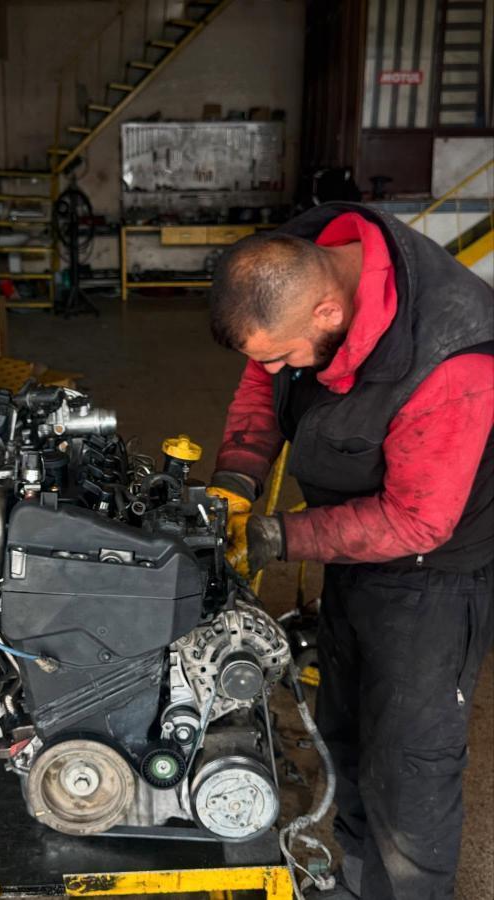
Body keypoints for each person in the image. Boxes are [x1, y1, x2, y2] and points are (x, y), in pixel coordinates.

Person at [206, 203, 493, 900]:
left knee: (409, 769)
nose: (276, 368)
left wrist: (279, 536)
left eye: (283, 354)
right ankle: (363, 885)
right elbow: (263, 376)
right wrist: (236, 478)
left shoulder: (452, 356)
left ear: (330, 313)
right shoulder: (297, 269)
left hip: (433, 581)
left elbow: (418, 521)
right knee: (346, 736)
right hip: (354, 551)